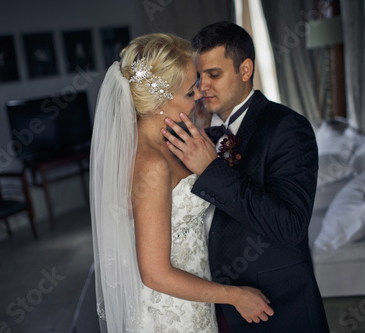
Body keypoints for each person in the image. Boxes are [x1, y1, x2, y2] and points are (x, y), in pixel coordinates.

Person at [89, 33, 274, 333]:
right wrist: (235, 296)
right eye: (191, 92)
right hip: (170, 313)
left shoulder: (168, 143)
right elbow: (155, 274)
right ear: (160, 101)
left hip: (191, 297)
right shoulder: (151, 165)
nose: (200, 94)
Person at [161, 22, 330, 332]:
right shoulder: (202, 133)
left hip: (276, 307)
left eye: (214, 74)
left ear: (245, 69)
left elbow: (289, 225)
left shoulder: (288, 128)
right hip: (213, 305)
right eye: (199, 77)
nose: (203, 87)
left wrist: (212, 170)